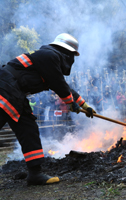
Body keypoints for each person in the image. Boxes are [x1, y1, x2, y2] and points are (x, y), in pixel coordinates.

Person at [0, 33, 96, 185]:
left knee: (29, 129)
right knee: (27, 127)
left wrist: (84, 105)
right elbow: (58, 83)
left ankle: (35, 174)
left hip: (15, 93)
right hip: (5, 88)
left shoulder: (48, 59)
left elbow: (62, 85)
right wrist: (71, 104)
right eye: (72, 56)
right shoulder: (49, 56)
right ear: (67, 53)